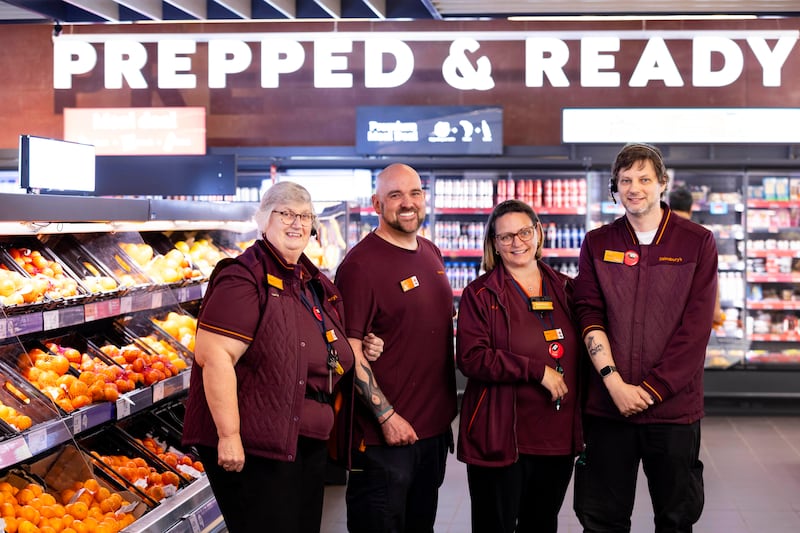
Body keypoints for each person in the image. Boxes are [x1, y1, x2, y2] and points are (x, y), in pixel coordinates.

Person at [181, 181, 384, 533]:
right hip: (259, 442)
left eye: (305, 215)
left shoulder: (309, 281)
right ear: (263, 220)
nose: (297, 223)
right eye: (286, 213)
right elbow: (214, 357)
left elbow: (323, 345)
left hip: (304, 438)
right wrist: (229, 436)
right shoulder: (243, 278)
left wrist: (360, 349)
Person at [573, 143, 718, 532]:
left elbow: (695, 329)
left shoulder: (696, 241)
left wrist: (651, 390)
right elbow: (588, 312)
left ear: (662, 184)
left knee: (675, 517)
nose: (634, 188)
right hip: (608, 408)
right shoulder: (598, 243)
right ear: (614, 188)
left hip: (673, 411)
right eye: (625, 180)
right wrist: (614, 383)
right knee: (602, 518)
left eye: (643, 179)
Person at [334, 163, 458, 533]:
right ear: (376, 204)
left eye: (415, 193)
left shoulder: (430, 251)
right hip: (382, 439)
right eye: (395, 195)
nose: (408, 203)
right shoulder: (360, 265)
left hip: (432, 432)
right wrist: (386, 417)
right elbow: (350, 349)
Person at [456, 199, 583, 533]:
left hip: (556, 435)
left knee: (541, 523)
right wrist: (536, 370)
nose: (518, 243)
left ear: (538, 233)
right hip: (500, 434)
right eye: (506, 237)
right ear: (494, 245)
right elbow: (471, 357)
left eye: (525, 232)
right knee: (494, 524)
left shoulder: (567, 288)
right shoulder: (480, 294)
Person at [668, 186, 725, 328]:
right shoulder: (701, 237)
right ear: (690, 209)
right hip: (694, 318)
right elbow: (711, 278)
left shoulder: (657, 234)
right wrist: (716, 313)